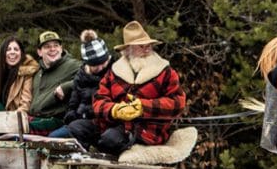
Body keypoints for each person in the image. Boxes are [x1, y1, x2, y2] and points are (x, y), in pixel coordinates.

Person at [70, 21, 185, 155]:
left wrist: (143, 107)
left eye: (149, 46)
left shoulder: (166, 72)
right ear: (128, 49)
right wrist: (114, 110)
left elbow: (178, 103)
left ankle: (104, 163)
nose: (147, 49)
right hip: (111, 124)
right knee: (75, 128)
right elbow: (98, 101)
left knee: (109, 140)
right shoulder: (114, 71)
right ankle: (83, 164)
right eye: (141, 46)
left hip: (146, 128)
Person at [49, 30, 113, 138]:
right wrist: (72, 115)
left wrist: (86, 114)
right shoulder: (81, 76)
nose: (101, 68)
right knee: (54, 136)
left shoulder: (113, 72)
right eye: (96, 65)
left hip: (102, 121)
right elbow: (74, 102)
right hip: (79, 120)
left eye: (103, 63)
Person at [28, 30, 80, 132]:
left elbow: (94, 77)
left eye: (56, 45)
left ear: (61, 48)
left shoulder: (72, 65)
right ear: (39, 52)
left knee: (23, 130)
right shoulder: (38, 73)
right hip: (36, 119)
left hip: (57, 121)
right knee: (10, 126)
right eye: (47, 46)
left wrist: (67, 86)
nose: (52, 49)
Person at [0, 36, 39, 112]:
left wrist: (12, 119)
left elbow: (25, 105)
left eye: (16, 49)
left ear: (21, 53)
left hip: (15, 116)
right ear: (3, 53)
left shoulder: (27, 72)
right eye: (8, 49)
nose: (12, 52)